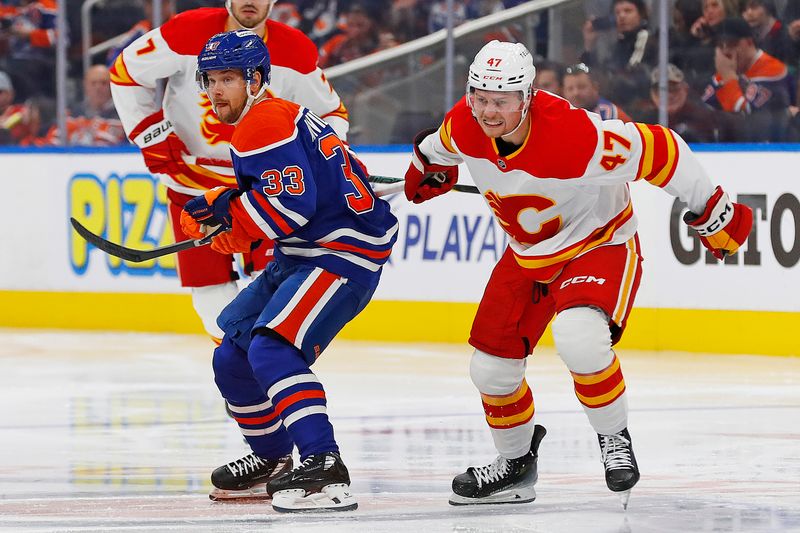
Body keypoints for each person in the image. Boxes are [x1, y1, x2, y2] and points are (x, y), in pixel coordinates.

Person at [403, 40, 752, 507]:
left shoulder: (575, 136)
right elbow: (437, 146)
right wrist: (426, 168)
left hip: (597, 243)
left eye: (500, 100)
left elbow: (664, 150)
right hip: (527, 254)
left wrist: (712, 209)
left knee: (579, 336)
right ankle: (515, 465)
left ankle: (613, 439)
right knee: (490, 369)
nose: (488, 111)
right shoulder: (465, 123)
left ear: (526, 97)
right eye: (480, 97)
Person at [181, 30, 397, 512]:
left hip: (340, 253)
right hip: (306, 251)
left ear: (255, 79)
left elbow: (290, 208)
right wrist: (226, 201)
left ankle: (324, 465)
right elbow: (301, 189)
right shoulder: (276, 116)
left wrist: (232, 224)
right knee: (233, 357)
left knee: (272, 349)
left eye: (228, 79)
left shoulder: (262, 123)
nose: (216, 91)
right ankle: (273, 458)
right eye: (210, 80)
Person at [110, 0, 350, 342]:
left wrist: (325, 161)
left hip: (264, 191)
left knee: (274, 288)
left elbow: (331, 115)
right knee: (210, 300)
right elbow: (127, 71)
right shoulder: (187, 31)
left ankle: (262, 371)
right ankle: (244, 376)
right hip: (193, 186)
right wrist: (151, 134)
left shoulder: (293, 49)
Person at [702, 17, 793, 141]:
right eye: (720, 45)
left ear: (749, 42)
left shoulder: (773, 70)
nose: (726, 51)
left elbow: (746, 120)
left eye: (732, 44)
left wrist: (729, 77)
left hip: (767, 149)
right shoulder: (723, 72)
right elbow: (705, 113)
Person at [562, 62, 632, 121]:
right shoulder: (559, 117)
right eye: (570, 89)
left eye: (581, 87)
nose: (576, 93)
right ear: (563, 92)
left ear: (595, 88)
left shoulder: (615, 116)